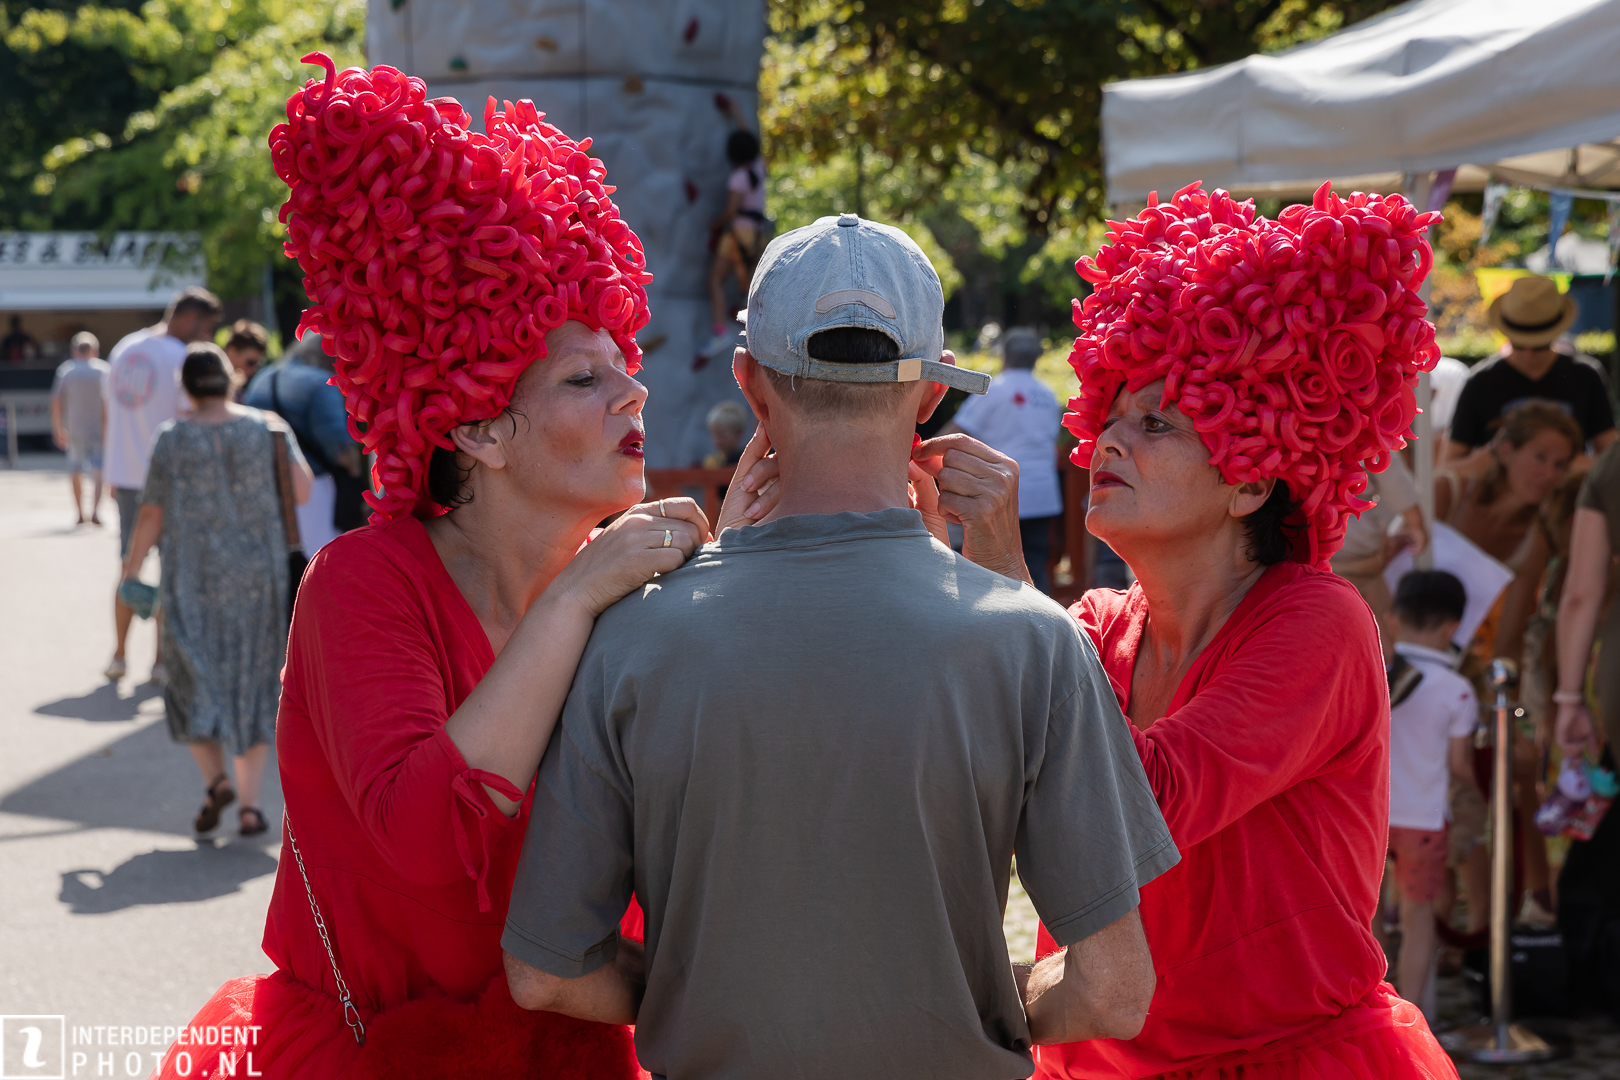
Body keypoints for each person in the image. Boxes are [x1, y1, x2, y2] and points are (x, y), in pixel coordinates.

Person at [153, 57, 772, 1080]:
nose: (633, 393)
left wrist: (746, 583)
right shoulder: (364, 581)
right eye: (584, 377)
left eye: (625, 363)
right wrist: (577, 596)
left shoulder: (630, 590)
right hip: (371, 1054)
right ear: (478, 432)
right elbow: (428, 837)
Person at [501, 214, 1178, 1079]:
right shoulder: (1035, 640)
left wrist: (694, 989)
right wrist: (964, 997)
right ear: (929, 397)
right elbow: (1114, 990)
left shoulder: (632, 634)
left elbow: (546, 970)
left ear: (751, 386)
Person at [956, 183, 1457, 1077]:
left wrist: (1004, 581)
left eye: (1156, 423)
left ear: (1252, 482)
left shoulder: (1319, 620)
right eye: (1111, 415)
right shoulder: (1093, 625)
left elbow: (1137, 808)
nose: (1108, 442)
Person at [120, 344, 313, 837]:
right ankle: (250, 807)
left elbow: (151, 513)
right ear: (231, 379)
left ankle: (216, 780)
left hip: (192, 577)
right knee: (254, 682)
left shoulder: (172, 437)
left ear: (185, 388)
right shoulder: (269, 428)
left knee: (189, 679)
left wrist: (131, 569)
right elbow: (302, 489)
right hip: (260, 577)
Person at [1435, 401, 1580, 931]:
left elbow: (1510, 640)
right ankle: (1439, 920)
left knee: (1502, 773)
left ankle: (1521, 908)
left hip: (1477, 670)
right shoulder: (1450, 491)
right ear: (1506, 450)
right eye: (1540, 457)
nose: (1549, 474)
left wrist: (1505, 711)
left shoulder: (1535, 538)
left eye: (1560, 464)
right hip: (1403, 658)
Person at [102, 286, 222, 682]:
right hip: (171, 480)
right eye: (207, 327)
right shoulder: (182, 357)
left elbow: (108, 414)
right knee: (174, 573)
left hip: (126, 477)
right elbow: (193, 420)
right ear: (190, 318)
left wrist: (112, 470)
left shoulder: (124, 349)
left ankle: (119, 655)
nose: (208, 336)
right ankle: (159, 662)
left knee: (128, 568)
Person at [1380, 570, 1479, 1018]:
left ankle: (1372, 1013)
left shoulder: (1378, 672)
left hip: (1373, 818)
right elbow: (1459, 765)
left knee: (1369, 918)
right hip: (1424, 820)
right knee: (1419, 919)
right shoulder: (1458, 690)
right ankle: (1415, 1020)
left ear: (1393, 620)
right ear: (1451, 628)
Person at [943, 326, 1066, 593]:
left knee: (995, 572)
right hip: (1043, 494)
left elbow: (952, 433)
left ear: (1005, 355)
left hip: (1002, 492)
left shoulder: (994, 390)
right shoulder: (1048, 394)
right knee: (1036, 565)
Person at [1445, 275, 1616, 462]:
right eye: (1519, 343)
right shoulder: (1481, 382)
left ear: (1556, 333)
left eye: (1539, 345)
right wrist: (1489, 460)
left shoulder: (1585, 376)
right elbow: (1449, 465)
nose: (1528, 353)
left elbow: (1611, 457)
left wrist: (1573, 465)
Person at [243, 331, 361, 555]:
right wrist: (355, 479)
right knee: (320, 561)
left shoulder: (262, 378)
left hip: (267, 488)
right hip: (314, 490)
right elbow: (341, 451)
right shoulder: (320, 383)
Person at [1331, 454, 1427, 657]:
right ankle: (1387, 664)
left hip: (1303, 543)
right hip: (1355, 543)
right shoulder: (1364, 434)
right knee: (1373, 619)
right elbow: (1393, 479)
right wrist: (1416, 523)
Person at [701, 95, 767, 358]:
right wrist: (736, 110)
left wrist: (714, 224)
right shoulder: (758, 168)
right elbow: (748, 136)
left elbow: (730, 211)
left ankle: (720, 332)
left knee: (715, 280)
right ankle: (756, 336)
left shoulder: (738, 179)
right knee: (749, 287)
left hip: (739, 234)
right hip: (758, 234)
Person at [50, 331, 109, 526]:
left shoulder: (67, 370)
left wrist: (58, 428)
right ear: (95, 350)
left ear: (75, 350)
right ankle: (95, 510)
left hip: (74, 429)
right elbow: (110, 403)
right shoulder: (103, 370)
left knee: (75, 469)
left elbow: (56, 401)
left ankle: (79, 513)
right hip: (100, 429)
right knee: (99, 469)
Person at [222, 318, 268, 400]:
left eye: (257, 365)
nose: (253, 371)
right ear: (232, 352)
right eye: (250, 363)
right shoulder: (212, 380)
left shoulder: (245, 386)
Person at [699, 398, 747, 468]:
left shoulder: (746, 460)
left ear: (738, 433)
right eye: (714, 435)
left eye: (722, 436)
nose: (717, 441)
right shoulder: (712, 463)